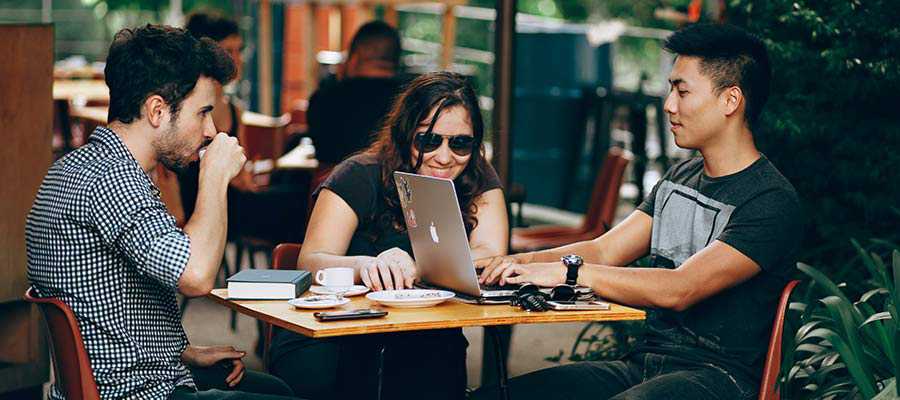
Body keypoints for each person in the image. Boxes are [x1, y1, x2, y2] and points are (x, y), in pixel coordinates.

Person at [474, 23, 802, 400]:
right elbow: (605, 251)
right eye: (670, 90)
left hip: (720, 378)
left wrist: (565, 271)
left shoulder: (769, 200)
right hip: (645, 365)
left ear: (730, 100)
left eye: (682, 91)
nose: (668, 105)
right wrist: (516, 263)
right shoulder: (681, 176)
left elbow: (681, 288)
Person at [25, 24, 300, 400]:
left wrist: (181, 353)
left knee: (276, 388)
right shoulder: (113, 180)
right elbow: (197, 276)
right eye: (203, 113)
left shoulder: (75, 168)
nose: (211, 130)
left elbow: (102, 305)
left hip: (130, 379)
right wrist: (215, 176)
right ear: (157, 110)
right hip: (137, 393)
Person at [267, 71, 508, 399]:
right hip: (334, 336)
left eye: (461, 143)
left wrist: (417, 264)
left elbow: (493, 252)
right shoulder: (359, 174)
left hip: (425, 337)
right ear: (406, 134)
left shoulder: (476, 176)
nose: (444, 156)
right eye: (428, 141)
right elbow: (310, 261)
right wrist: (368, 265)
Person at [307, 20, 406, 169]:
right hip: (389, 188)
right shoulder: (409, 99)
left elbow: (322, 152)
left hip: (329, 186)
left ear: (353, 58)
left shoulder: (324, 97)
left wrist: (339, 79)